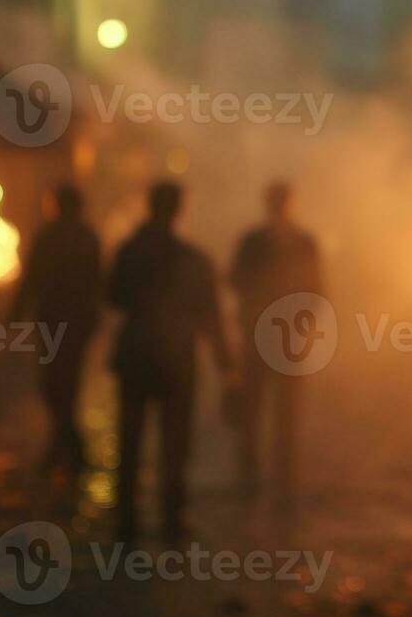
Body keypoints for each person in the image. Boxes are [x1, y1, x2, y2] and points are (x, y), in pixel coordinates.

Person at [108, 181, 231, 540]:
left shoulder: (129, 251)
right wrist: (227, 367)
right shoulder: (193, 258)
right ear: (180, 210)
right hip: (176, 361)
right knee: (175, 443)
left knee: (129, 441)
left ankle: (125, 521)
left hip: (135, 355)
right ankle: (171, 520)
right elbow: (212, 317)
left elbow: (114, 297)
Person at [230, 180, 323, 506]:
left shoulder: (301, 243)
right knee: (256, 410)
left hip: (286, 340)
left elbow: (316, 291)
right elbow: (238, 281)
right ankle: (253, 475)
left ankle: (283, 477)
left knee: (286, 413)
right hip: (262, 337)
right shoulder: (257, 242)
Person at [13, 183, 100, 472]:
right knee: (63, 383)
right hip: (73, 323)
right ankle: (66, 444)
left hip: (57, 321)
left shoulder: (49, 237)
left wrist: (15, 313)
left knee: (54, 383)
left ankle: (67, 447)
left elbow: (31, 279)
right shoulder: (86, 237)